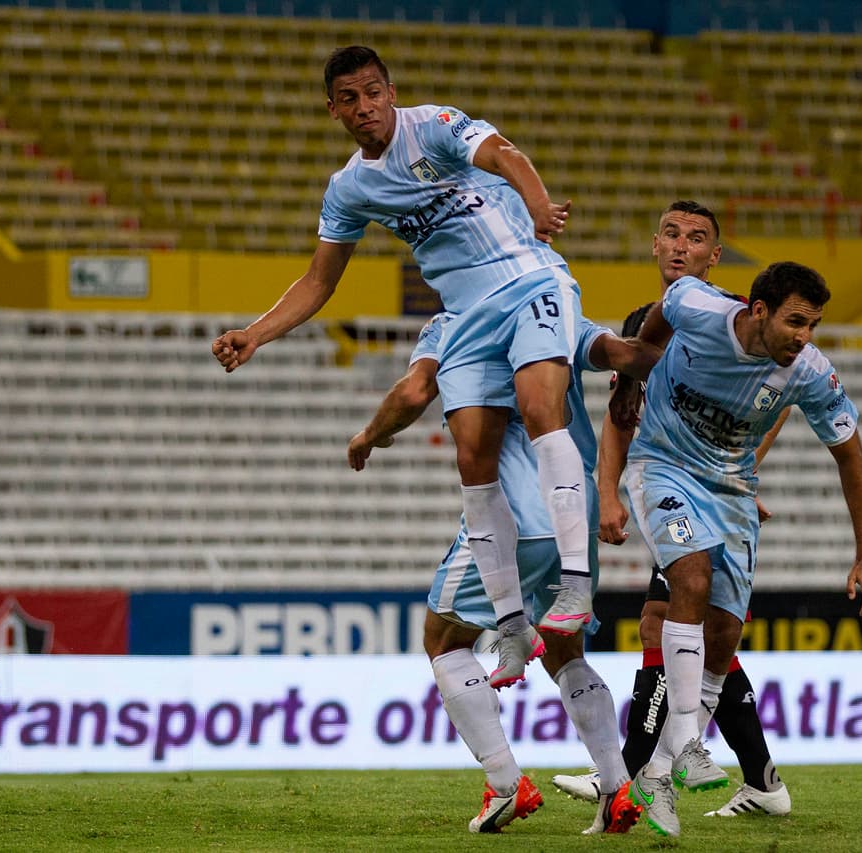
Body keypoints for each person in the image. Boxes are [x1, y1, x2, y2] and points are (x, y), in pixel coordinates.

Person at [211, 45, 594, 690]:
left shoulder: (435, 125)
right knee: (472, 456)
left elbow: (504, 155)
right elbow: (318, 279)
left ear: (390, 92)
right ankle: (510, 623)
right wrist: (256, 333)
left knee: (537, 410)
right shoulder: (349, 188)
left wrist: (536, 204)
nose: (365, 107)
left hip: (528, 280)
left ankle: (577, 587)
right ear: (332, 109)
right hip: (464, 312)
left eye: (373, 92)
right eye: (349, 99)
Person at [347, 311, 652, 835]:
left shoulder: (453, 321)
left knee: (444, 639)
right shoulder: (554, 310)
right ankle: (616, 783)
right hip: (572, 519)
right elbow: (624, 352)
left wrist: (369, 436)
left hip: (510, 519)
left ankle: (505, 783)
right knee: (565, 651)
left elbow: (415, 392)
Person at [611, 261, 862, 837]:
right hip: (662, 465)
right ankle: (687, 741)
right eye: (795, 322)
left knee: (725, 634)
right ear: (758, 311)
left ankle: (658, 771)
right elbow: (660, 316)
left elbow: (850, 456)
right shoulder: (696, 305)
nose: (804, 336)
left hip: (733, 487)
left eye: (813, 324)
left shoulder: (808, 372)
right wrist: (637, 372)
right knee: (690, 578)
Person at [553, 201, 793, 818]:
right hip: (666, 487)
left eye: (697, 239)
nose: (681, 246)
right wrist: (607, 493)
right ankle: (755, 782)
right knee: (689, 628)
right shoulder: (643, 324)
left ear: (716, 257)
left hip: (709, 495)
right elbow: (620, 417)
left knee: (672, 622)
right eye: (671, 235)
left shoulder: (737, 321)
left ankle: (637, 770)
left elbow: (783, 395)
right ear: (655, 247)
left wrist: (739, 470)